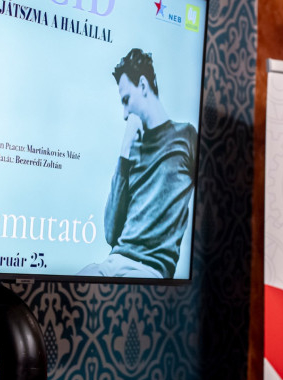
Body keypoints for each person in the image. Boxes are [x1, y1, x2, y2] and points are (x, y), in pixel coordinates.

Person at [81, 48, 197, 279]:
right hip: (113, 262)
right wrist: (125, 150)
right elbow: (111, 234)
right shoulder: (131, 151)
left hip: (149, 269)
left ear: (143, 86)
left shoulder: (186, 136)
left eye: (126, 101)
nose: (125, 114)